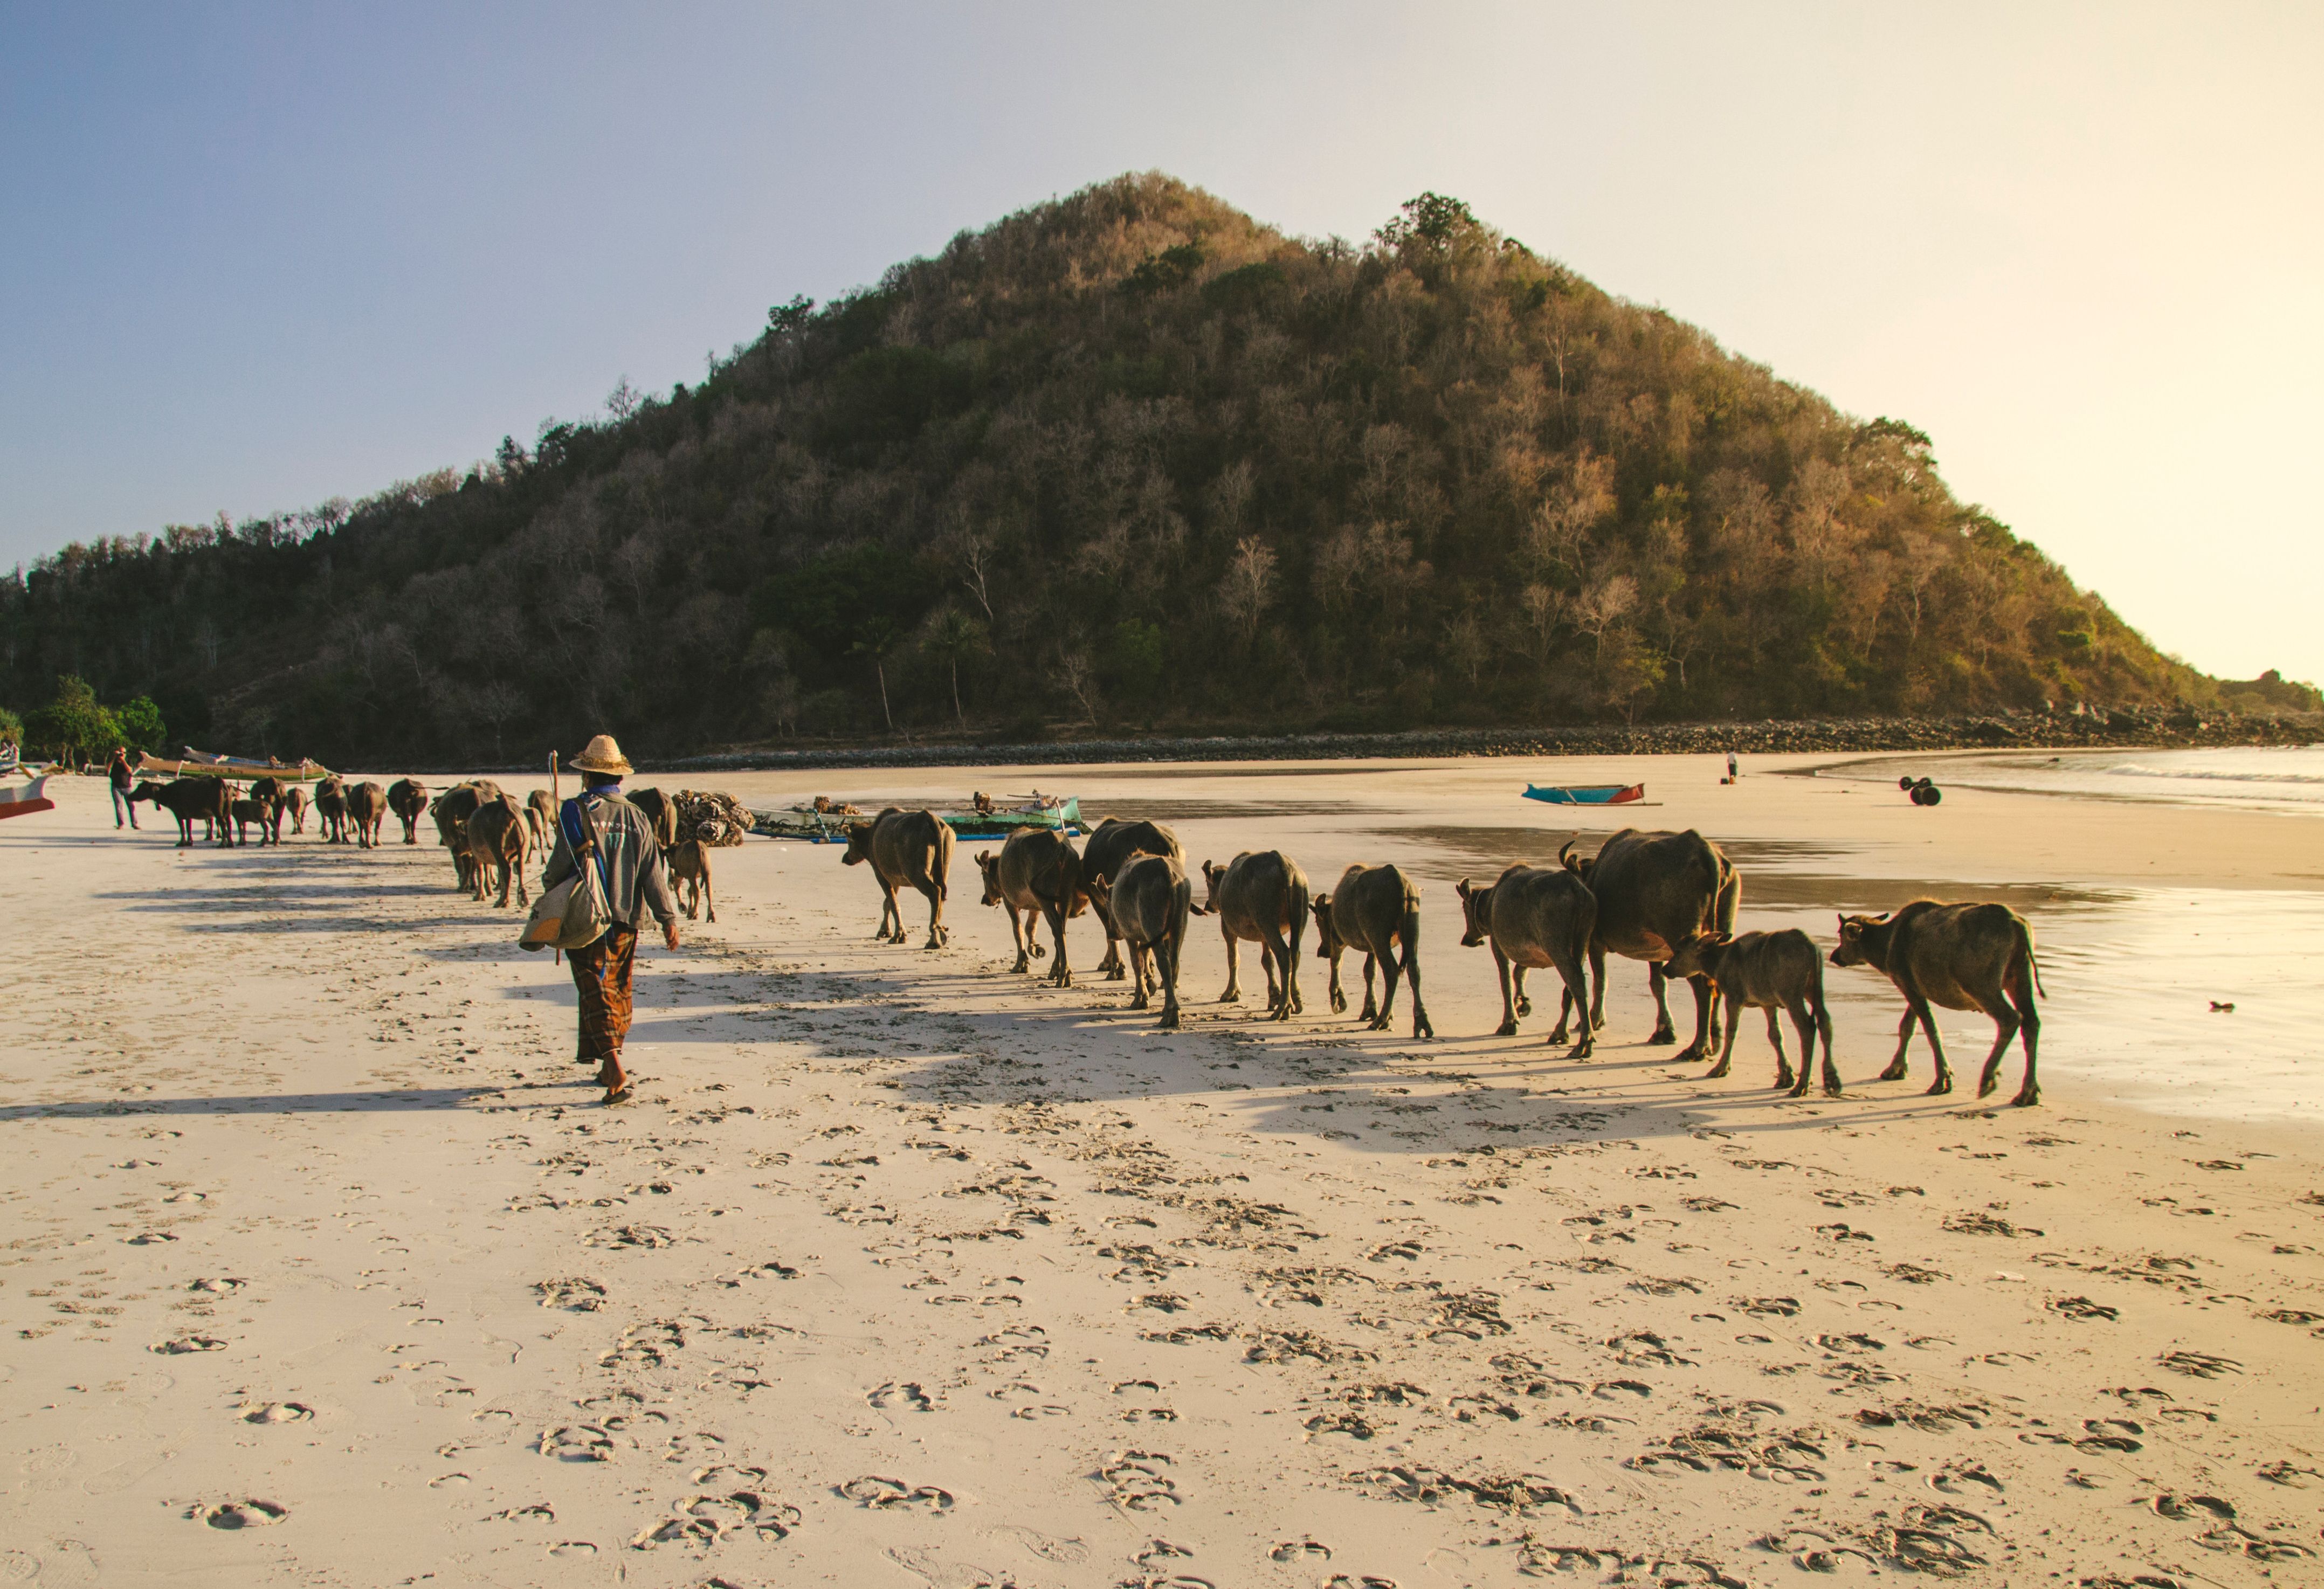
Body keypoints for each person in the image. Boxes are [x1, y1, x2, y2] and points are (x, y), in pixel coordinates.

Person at [541, 734, 679, 1104]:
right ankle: (606, 1063)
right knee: (617, 989)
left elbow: (557, 868)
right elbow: (653, 871)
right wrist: (667, 919)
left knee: (594, 989)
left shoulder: (575, 810)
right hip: (627, 919)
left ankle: (613, 1064)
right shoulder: (636, 815)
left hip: (586, 917)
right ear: (618, 778)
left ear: (586, 775)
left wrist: (548, 894)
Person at [108, 745, 138, 829]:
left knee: (132, 806)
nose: (122, 754)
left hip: (127, 787)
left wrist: (123, 760)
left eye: (124, 753)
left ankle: (134, 823)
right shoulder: (114, 761)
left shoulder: (128, 761)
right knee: (119, 806)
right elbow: (108, 768)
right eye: (120, 752)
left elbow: (129, 770)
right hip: (116, 787)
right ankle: (121, 824)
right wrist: (115, 758)